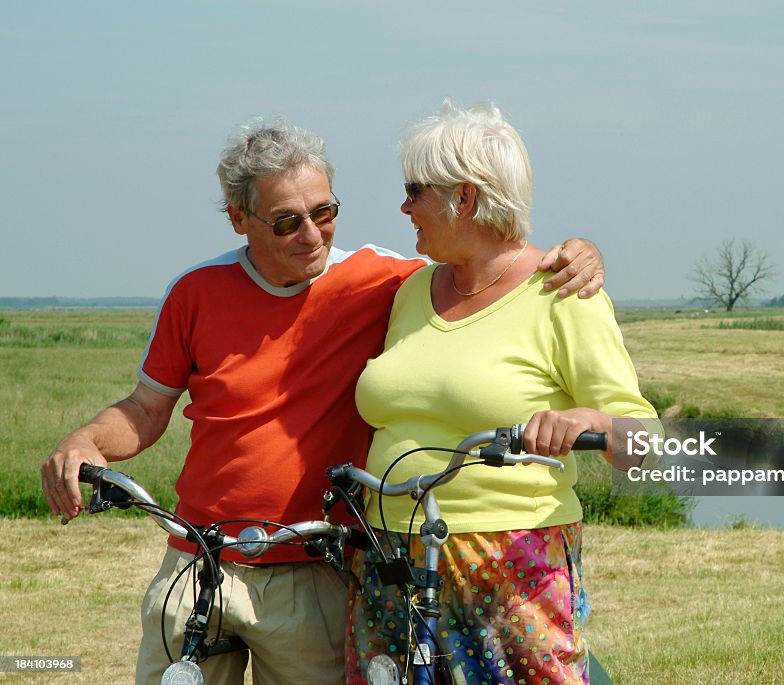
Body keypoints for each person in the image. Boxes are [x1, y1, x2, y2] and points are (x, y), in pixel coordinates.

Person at [38, 115, 606, 685]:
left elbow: (486, 259)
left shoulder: (389, 279)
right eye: (286, 222)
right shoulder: (195, 292)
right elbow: (145, 409)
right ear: (239, 219)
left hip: (317, 566)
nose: (311, 234)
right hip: (200, 559)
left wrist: (579, 251)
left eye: (324, 212)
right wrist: (85, 440)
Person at [347, 101, 657, 684]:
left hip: (508, 562)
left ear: (463, 198)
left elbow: (645, 442)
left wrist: (590, 418)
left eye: (415, 190)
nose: (404, 205)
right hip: (389, 557)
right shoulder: (411, 290)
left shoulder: (563, 293)